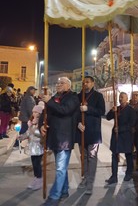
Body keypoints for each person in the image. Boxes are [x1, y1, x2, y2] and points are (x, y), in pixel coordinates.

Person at [40, 77, 79, 206]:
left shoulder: (73, 98)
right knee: (61, 168)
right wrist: (41, 125)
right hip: (54, 137)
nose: (58, 85)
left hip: (65, 138)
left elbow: (64, 110)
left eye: (61, 83)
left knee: (60, 169)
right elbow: (45, 114)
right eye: (57, 83)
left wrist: (50, 101)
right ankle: (63, 191)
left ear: (69, 85)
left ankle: (54, 197)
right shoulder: (54, 97)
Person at [76, 75, 105, 195]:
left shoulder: (98, 96)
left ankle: (90, 182)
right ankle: (85, 177)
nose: (85, 84)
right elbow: (74, 112)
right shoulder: (78, 96)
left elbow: (101, 111)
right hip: (81, 131)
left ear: (93, 83)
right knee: (84, 157)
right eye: (83, 83)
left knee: (92, 157)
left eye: (87, 82)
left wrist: (88, 109)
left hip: (93, 132)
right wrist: (77, 122)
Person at [105, 92, 136, 185]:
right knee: (114, 155)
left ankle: (129, 173)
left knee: (128, 155)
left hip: (126, 136)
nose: (120, 99)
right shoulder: (117, 109)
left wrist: (121, 129)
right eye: (119, 97)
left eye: (122, 97)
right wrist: (112, 111)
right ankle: (114, 176)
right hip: (116, 137)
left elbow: (132, 124)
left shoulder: (131, 110)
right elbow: (108, 117)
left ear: (126, 98)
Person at [19, 104, 44, 191]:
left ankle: (39, 180)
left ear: (40, 113)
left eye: (36, 112)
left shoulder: (41, 123)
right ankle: (36, 178)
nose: (34, 113)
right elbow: (27, 133)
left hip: (39, 146)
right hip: (32, 146)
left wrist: (33, 128)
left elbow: (39, 134)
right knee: (34, 164)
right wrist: (22, 136)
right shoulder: (31, 122)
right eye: (33, 111)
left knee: (37, 164)